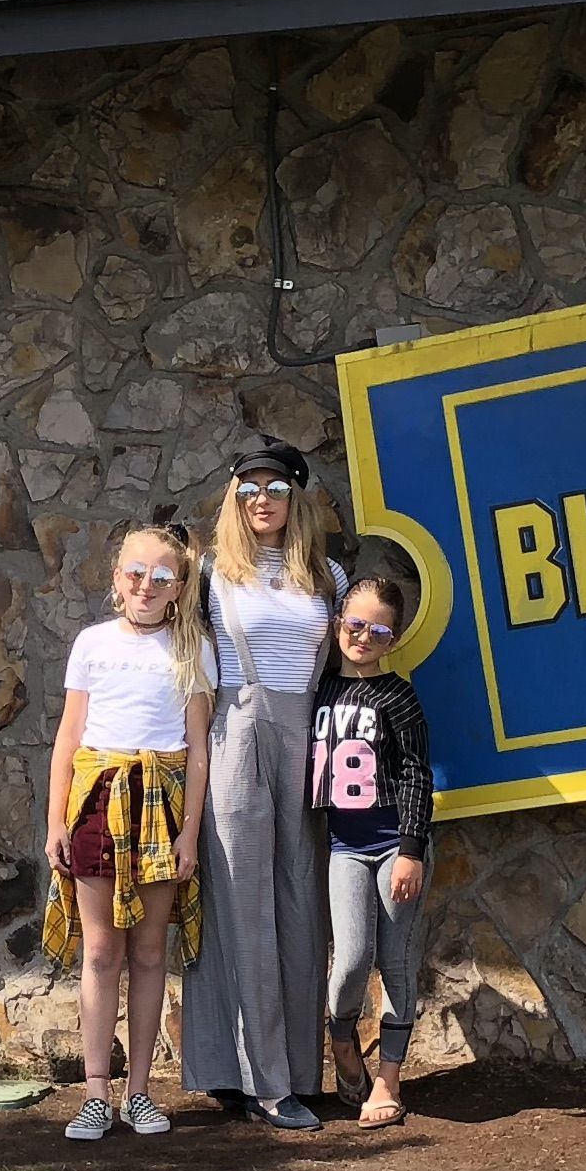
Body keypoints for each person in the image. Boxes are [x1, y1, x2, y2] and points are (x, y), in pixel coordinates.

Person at [178, 439, 345, 1129]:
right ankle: (248, 1078)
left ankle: (297, 1073)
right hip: (237, 728)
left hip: (306, 730)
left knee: (302, 902)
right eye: (248, 489)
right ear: (234, 499)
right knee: (238, 902)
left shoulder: (328, 575)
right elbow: (185, 666)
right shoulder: (212, 574)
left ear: (295, 497)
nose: (261, 500)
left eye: (274, 488)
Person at [42, 520, 214, 1141]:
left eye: (161, 577)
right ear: (117, 580)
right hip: (97, 803)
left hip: (161, 808)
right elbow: (68, 736)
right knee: (100, 952)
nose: (146, 586)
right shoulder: (91, 643)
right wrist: (55, 819)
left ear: (179, 587)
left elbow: (197, 749)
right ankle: (95, 1093)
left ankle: (140, 1092)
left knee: (147, 955)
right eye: (136, 573)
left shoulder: (193, 650)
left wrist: (188, 834)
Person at [309, 564, 435, 1129]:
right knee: (352, 958)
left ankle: (388, 1078)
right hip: (344, 846)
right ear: (339, 624)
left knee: (395, 960)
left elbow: (416, 773)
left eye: (378, 632)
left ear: (394, 640)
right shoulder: (319, 691)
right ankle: (340, 1043)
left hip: (393, 845)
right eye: (355, 625)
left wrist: (411, 847)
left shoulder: (398, 697)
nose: (363, 638)